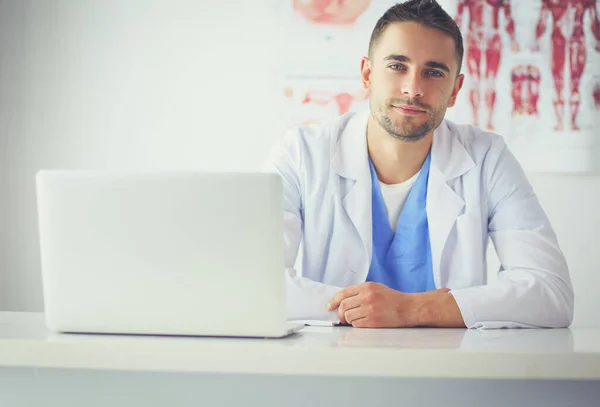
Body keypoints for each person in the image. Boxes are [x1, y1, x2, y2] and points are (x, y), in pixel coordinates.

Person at [264, 0, 573, 329]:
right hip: (334, 365)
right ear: (367, 74)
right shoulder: (302, 155)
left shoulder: (487, 158)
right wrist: (367, 309)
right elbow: (254, 281)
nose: (413, 88)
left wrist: (409, 309)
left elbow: (551, 294)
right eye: (398, 66)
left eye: (434, 72)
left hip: (448, 371)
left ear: (455, 89)